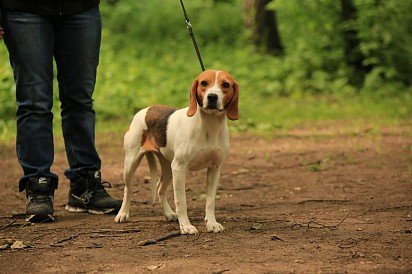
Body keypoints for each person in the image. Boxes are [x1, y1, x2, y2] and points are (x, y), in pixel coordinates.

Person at [0, 0, 122, 222]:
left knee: (80, 100)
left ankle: (85, 184)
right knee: (34, 102)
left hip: (80, 8)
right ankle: (38, 186)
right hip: (23, 9)